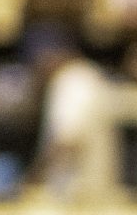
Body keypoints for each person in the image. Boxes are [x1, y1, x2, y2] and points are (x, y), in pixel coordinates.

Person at [30, 24, 118, 202]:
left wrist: (34, 178)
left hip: (77, 196)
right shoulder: (88, 75)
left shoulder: (72, 80)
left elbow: (66, 139)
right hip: (91, 192)